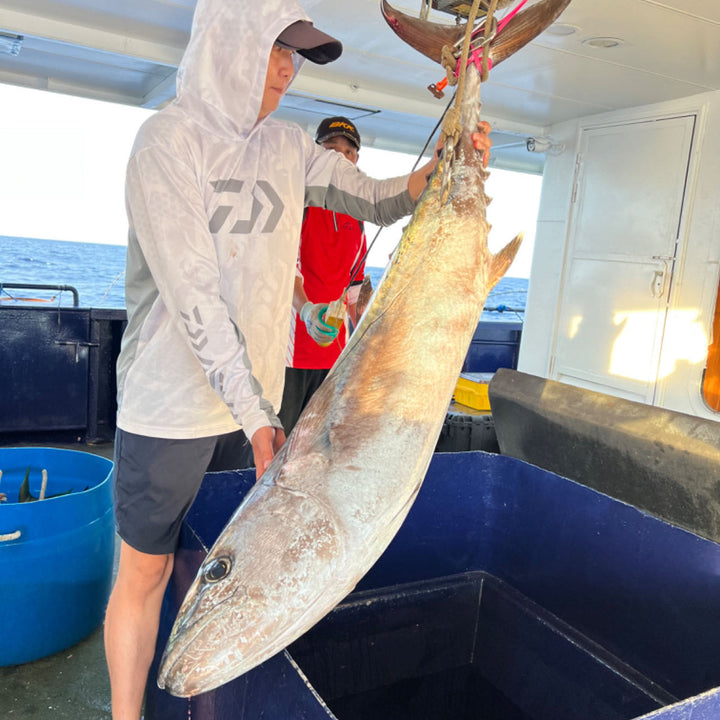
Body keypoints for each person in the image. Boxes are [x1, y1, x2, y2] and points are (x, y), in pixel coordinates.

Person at [103, 0, 493, 716]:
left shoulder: (285, 145)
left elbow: (374, 199)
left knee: (218, 571)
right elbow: (194, 300)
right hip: (170, 407)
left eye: (294, 56)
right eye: (274, 50)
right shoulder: (166, 142)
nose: (286, 71)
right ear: (228, 46)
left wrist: (439, 172)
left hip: (251, 411)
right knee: (148, 572)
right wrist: (258, 417)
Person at [280, 116, 369, 436]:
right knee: (276, 450)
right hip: (287, 356)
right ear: (315, 154)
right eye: (331, 148)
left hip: (334, 360)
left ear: (356, 161)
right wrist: (306, 311)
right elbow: (283, 273)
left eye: (348, 152)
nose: (339, 157)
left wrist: (361, 348)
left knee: (317, 449)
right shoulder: (294, 203)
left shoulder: (359, 217)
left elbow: (355, 291)